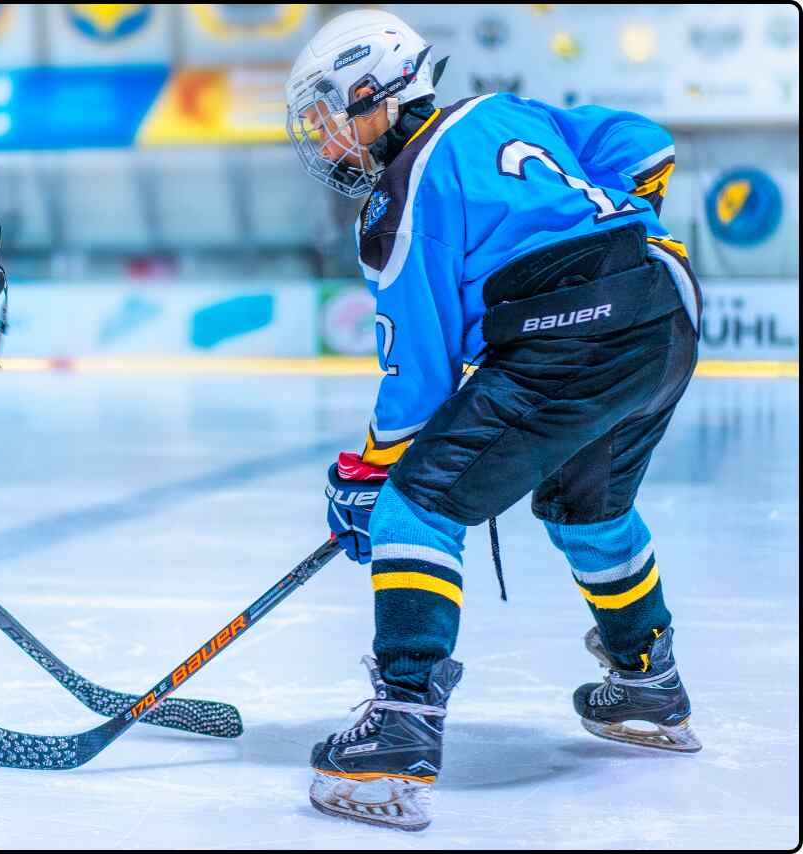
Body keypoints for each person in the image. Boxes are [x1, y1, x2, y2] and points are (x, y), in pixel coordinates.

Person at [286, 10, 703, 831]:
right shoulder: (507, 113)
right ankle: (649, 684)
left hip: (572, 332)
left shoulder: (398, 204)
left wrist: (367, 478)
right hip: (666, 308)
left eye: (332, 113)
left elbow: (419, 387)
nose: (328, 139)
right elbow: (647, 146)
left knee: (419, 502)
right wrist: (609, 231)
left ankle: (402, 725)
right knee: (591, 508)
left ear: (378, 94)